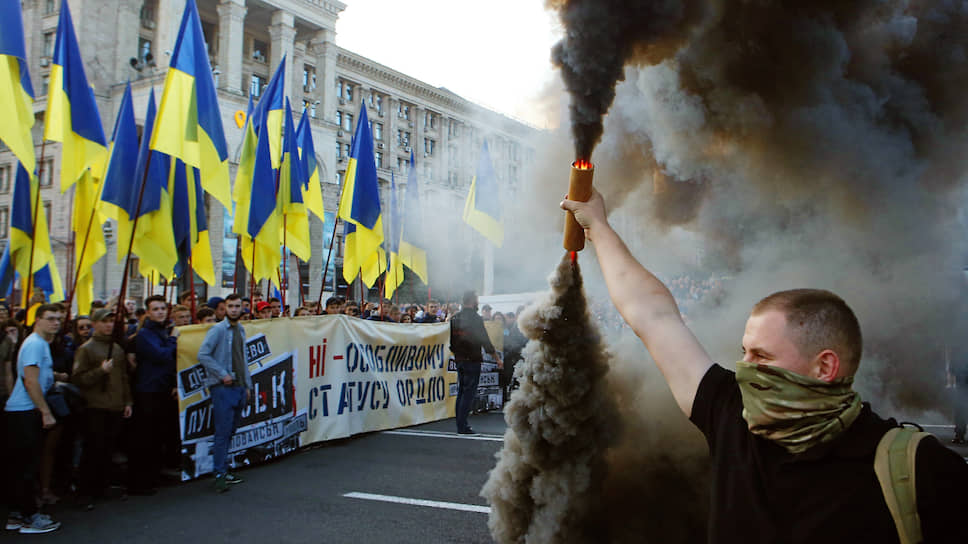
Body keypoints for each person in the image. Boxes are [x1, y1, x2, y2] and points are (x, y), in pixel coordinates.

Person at [560, 190, 968, 543]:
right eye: (744, 352)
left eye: (762, 357)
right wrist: (599, 225)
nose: (744, 368)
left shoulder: (915, 468)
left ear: (825, 366)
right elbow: (653, 316)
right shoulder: (730, 415)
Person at [4, 304, 63, 534]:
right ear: (37, 320)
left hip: (27, 410)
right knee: (26, 466)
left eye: (58, 318)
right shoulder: (35, 344)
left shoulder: (40, 344)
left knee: (22, 465)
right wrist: (45, 411)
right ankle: (29, 517)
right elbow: (30, 381)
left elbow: (37, 376)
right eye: (50, 318)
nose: (56, 323)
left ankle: (18, 514)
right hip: (25, 411)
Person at [71, 309, 132, 510]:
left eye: (111, 322)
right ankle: (84, 492)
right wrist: (100, 371)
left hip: (115, 405)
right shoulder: (86, 349)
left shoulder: (116, 348)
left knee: (107, 449)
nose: (108, 325)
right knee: (92, 450)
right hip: (95, 406)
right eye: (104, 321)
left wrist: (127, 402)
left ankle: (102, 487)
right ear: (95, 324)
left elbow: (123, 378)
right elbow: (78, 379)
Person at [197, 294, 251, 493]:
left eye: (238, 306)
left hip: (239, 387)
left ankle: (224, 469)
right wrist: (222, 374)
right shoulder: (218, 330)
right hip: (223, 387)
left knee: (231, 431)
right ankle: (219, 473)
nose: (235, 309)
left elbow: (243, 359)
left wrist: (248, 386)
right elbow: (203, 354)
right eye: (231, 306)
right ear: (225, 308)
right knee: (222, 432)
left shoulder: (241, 329)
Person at [129, 295, 178, 495]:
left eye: (163, 308)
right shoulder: (145, 335)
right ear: (148, 312)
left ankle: (153, 475)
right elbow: (162, 355)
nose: (160, 312)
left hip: (162, 388)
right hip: (147, 390)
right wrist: (174, 339)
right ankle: (140, 481)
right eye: (156, 309)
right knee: (145, 438)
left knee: (158, 435)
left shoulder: (161, 332)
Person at [450, 291, 502, 434]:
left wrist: (458, 355)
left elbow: (452, 343)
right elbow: (484, 339)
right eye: (477, 299)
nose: (478, 302)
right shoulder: (476, 319)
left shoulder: (455, 318)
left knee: (461, 391)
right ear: (473, 301)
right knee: (468, 393)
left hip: (460, 360)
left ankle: (460, 424)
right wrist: (497, 358)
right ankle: (463, 426)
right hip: (472, 360)